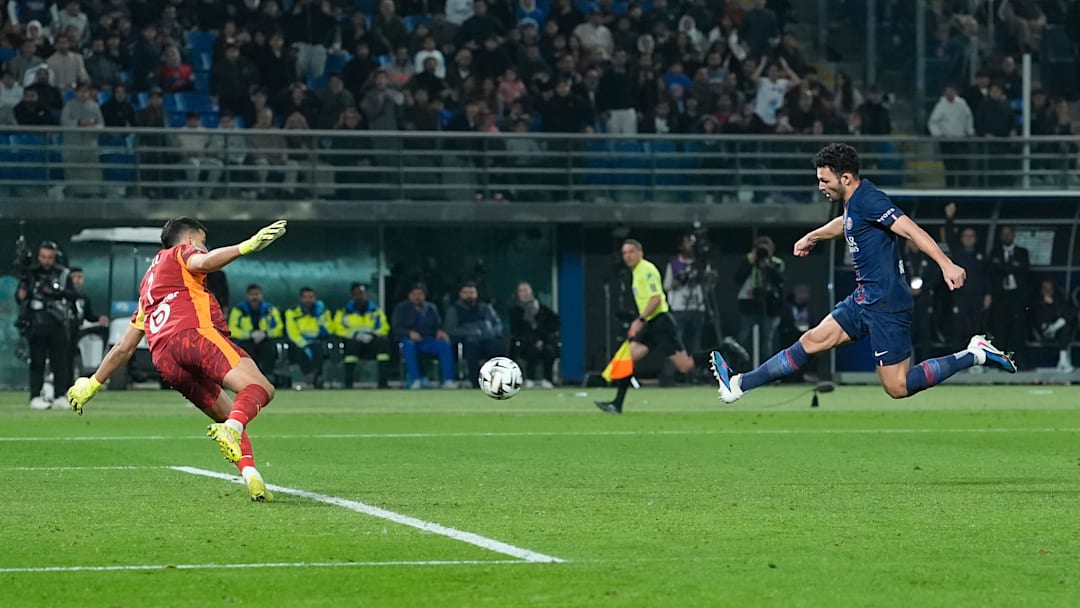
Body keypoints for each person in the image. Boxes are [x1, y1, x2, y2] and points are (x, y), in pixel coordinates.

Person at [710, 143, 1016, 404]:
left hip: (886, 302)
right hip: (864, 297)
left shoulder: (870, 199)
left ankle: (974, 353)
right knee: (811, 341)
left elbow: (910, 229)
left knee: (896, 387)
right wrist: (813, 236)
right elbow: (845, 224)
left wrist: (945, 263)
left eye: (824, 180)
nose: (820, 186)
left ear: (845, 177)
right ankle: (738, 385)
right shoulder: (853, 203)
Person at [66, 218, 288, 501]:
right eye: (202, 241)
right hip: (193, 334)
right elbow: (203, 263)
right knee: (260, 389)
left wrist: (93, 382)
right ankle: (232, 430)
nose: (203, 247)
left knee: (229, 415)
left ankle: (252, 478)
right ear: (191, 240)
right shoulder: (181, 253)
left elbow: (125, 346)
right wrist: (247, 246)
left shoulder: (148, 286)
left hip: (166, 360)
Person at [595, 239, 696, 414]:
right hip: (652, 323)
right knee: (629, 356)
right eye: (625, 253)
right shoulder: (636, 272)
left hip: (661, 322)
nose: (627, 256)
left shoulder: (646, 270)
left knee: (684, 366)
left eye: (631, 252)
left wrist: (640, 320)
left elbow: (656, 298)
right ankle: (617, 404)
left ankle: (724, 348)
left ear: (640, 253)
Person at [16, 241, 77, 410]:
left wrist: (57, 292)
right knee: (37, 362)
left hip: (58, 323)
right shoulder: (30, 274)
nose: (46, 261)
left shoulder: (63, 274)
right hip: (36, 323)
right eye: (43, 257)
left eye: (49, 257)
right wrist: (21, 294)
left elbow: (74, 295)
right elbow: (21, 298)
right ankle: (35, 395)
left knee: (60, 363)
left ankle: (59, 395)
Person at [391, 283, 457, 389]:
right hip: (410, 340)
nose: (417, 297)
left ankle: (447, 380)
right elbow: (396, 328)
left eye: (420, 294)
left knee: (445, 344)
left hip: (428, 339)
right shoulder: (401, 308)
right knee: (408, 345)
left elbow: (438, 325)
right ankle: (415, 380)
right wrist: (409, 333)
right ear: (409, 295)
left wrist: (440, 331)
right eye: (414, 294)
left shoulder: (431, 308)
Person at [445, 281, 506, 387]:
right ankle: (475, 381)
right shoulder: (454, 310)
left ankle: (499, 379)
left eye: (472, 292)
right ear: (460, 294)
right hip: (467, 341)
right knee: (471, 346)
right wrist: (470, 333)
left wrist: (491, 332)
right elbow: (451, 329)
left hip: (487, 338)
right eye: (466, 292)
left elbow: (498, 324)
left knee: (498, 346)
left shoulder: (485, 308)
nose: (469, 295)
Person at [333, 283, 392, 389]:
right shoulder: (343, 312)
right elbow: (337, 328)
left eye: (361, 293)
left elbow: (384, 327)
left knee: (383, 342)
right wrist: (355, 335)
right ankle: (348, 383)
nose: (359, 296)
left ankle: (383, 383)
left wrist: (373, 335)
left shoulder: (375, 311)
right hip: (353, 343)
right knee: (352, 345)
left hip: (372, 342)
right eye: (356, 294)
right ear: (351, 295)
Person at [734, 235, 784, 361]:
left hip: (768, 306)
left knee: (767, 340)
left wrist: (767, 264)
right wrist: (751, 261)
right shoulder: (748, 260)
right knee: (743, 337)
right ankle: (736, 365)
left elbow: (779, 280)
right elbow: (738, 278)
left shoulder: (776, 262)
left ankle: (769, 370)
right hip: (748, 304)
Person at [989, 224, 1031, 366]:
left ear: (1013, 235)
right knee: (1000, 329)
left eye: (1009, 233)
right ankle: (1001, 362)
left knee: (1018, 328)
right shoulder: (995, 252)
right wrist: (1012, 266)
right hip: (1001, 297)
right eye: (1004, 234)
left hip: (1017, 297)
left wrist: (1005, 267)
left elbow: (1024, 271)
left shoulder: (1022, 252)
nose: (1006, 236)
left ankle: (1019, 361)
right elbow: (993, 270)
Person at [228, 284, 285, 380]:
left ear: (262, 295)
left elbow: (279, 328)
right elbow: (232, 329)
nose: (254, 297)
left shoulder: (270, 309)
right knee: (244, 348)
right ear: (247, 296)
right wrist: (250, 335)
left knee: (270, 347)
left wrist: (265, 334)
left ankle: (268, 376)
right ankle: (250, 377)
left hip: (265, 339)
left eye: (257, 294)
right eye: (251, 294)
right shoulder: (238, 310)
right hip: (246, 340)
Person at [509, 281, 560, 388]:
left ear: (531, 292)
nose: (524, 293)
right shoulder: (515, 311)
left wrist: (542, 340)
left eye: (526, 290)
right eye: (521, 291)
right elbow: (516, 330)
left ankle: (547, 379)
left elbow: (554, 325)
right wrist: (532, 340)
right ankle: (529, 379)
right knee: (531, 350)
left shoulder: (543, 310)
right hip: (524, 343)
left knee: (549, 351)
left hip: (544, 341)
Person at [284, 287, 334, 388]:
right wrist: (305, 345)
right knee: (300, 351)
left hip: (317, 341)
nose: (308, 300)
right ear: (301, 299)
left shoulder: (323, 311)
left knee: (318, 349)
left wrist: (320, 318)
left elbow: (329, 330)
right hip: (299, 342)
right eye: (305, 297)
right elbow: (292, 332)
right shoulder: (292, 312)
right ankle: (311, 376)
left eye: (311, 297)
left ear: (315, 298)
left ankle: (316, 377)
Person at [69, 266, 109, 377]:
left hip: (80, 328)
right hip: (68, 328)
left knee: (102, 330)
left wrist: (98, 319)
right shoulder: (64, 295)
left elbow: (88, 316)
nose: (77, 280)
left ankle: (97, 364)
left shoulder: (84, 298)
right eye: (74, 277)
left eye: (80, 277)